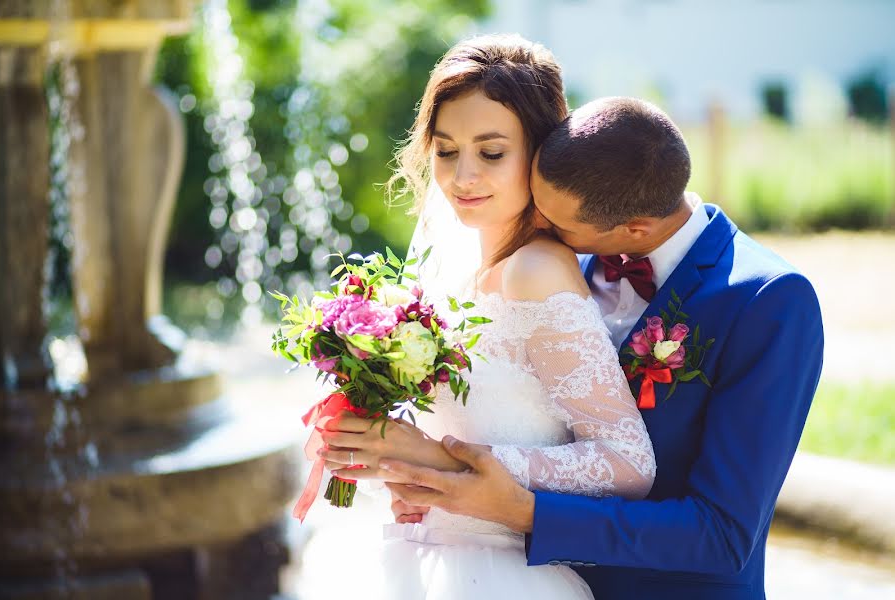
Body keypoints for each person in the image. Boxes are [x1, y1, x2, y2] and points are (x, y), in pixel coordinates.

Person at [362, 97, 825, 600]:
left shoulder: (768, 301)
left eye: (559, 224)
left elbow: (723, 533)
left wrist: (522, 511)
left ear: (635, 230)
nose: (537, 223)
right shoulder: (563, 265)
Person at [319, 36, 657, 600]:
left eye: (491, 152)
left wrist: (442, 460)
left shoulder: (536, 273)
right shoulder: (460, 271)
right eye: (447, 151)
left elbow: (628, 463)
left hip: (506, 576)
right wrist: (404, 471)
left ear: (540, 152)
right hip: (429, 561)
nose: (462, 177)